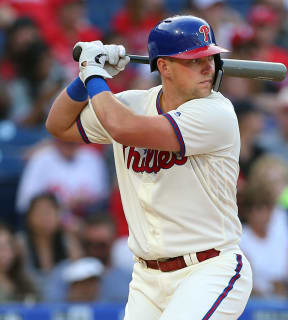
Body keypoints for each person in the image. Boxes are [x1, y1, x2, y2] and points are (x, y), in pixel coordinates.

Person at [45, 15, 252, 320]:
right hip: (147, 277)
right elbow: (58, 125)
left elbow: (122, 127)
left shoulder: (216, 113)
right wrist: (84, 76)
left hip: (209, 268)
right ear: (164, 67)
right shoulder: (131, 102)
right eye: (194, 60)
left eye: (209, 57)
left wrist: (95, 76)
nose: (208, 67)